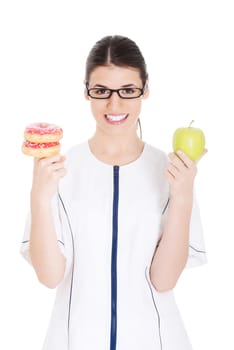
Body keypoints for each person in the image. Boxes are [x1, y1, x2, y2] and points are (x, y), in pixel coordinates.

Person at [20, 35, 207, 350]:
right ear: (86, 92)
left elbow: (164, 281)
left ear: (145, 91)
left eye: (128, 91)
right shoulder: (58, 171)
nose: (114, 104)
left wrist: (183, 196)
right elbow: (50, 277)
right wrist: (39, 197)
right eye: (101, 91)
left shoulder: (173, 171)